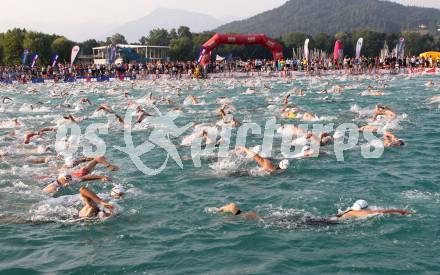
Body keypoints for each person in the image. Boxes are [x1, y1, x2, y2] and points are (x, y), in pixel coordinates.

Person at [43, 156, 118, 194]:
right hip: (57, 183)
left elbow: (86, 178)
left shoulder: (76, 174)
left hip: (57, 183)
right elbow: (85, 178)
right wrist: (108, 167)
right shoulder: (80, 173)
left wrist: (107, 167)